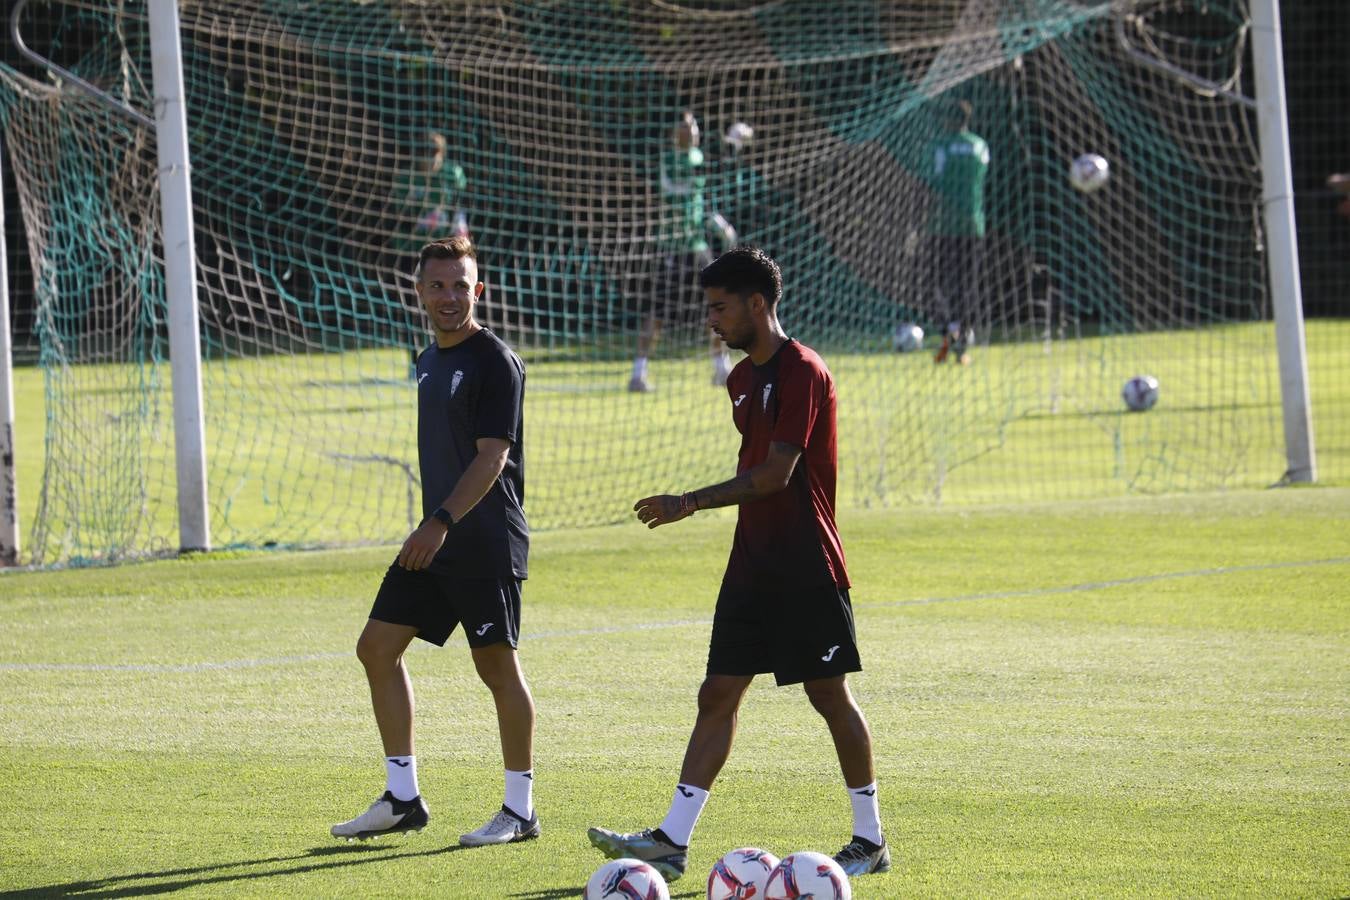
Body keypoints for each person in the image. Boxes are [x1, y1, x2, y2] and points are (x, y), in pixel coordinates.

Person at [590, 246, 890, 881]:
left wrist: (689, 502)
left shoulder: (804, 371)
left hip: (806, 566)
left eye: (720, 307)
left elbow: (777, 475)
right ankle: (671, 841)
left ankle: (870, 839)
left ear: (758, 303)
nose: (711, 321)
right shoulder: (739, 379)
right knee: (717, 694)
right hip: (751, 567)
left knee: (828, 694)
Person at [331, 235, 539, 849]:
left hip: (479, 540)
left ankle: (520, 810)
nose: (450, 297)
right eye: (438, 285)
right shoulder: (427, 358)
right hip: (438, 538)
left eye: (461, 285)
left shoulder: (494, 361)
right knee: (376, 648)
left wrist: (440, 521)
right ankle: (402, 798)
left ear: (480, 290)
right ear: (418, 291)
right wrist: (437, 526)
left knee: (496, 667)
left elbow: (494, 457)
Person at [629, 111, 734, 392]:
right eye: (688, 127)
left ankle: (721, 369)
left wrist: (712, 220)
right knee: (660, 311)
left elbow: (698, 192)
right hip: (677, 248)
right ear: (676, 134)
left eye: (695, 127)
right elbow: (703, 174)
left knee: (716, 305)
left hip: (692, 246)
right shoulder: (680, 160)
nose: (694, 132)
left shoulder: (685, 158)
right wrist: (731, 144)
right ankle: (639, 373)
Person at [927, 99, 989, 365]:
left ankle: (948, 331)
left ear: (948, 121)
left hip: (943, 225)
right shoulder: (980, 146)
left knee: (936, 282)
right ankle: (962, 344)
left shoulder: (941, 148)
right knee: (968, 285)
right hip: (973, 225)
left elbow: (934, 183)